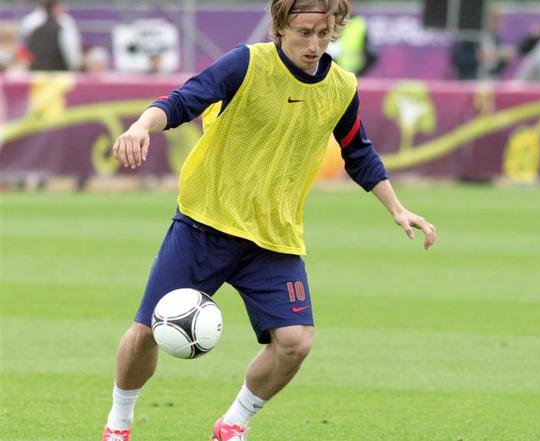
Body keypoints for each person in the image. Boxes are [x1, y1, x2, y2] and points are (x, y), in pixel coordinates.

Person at [101, 1, 437, 440]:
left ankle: (232, 424)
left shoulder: (341, 86)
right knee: (147, 332)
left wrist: (396, 207)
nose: (314, 44)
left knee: (296, 342)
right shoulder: (246, 63)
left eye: (324, 32)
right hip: (205, 223)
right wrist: (141, 126)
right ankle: (118, 425)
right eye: (304, 32)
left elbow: (358, 151)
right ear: (280, 27)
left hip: (273, 239)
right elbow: (182, 101)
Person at [20, 0, 82, 71]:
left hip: (37, 72)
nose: (65, 8)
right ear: (54, 9)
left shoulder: (36, 28)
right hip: (58, 73)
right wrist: (76, 67)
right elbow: (71, 53)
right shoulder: (63, 28)